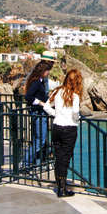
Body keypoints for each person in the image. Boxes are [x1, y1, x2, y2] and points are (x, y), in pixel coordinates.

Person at [41, 69, 83, 197]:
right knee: (65, 158)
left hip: (56, 127)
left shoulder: (57, 91)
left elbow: (46, 107)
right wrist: (78, 118)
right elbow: (75, 113)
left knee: (58, 157)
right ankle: (63, 190)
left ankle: (60, 187)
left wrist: (56, 114)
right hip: (69, 129)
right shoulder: (74, 96)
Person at [24, 62, 53, 167]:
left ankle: (28, 162)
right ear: (43, 71)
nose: (48, 73)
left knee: (39, 139)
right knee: (39, 140)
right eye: (47, 71)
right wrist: (41, 103)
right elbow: (28, 97)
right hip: (38, 113)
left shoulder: (39, 81)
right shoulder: (36, 82)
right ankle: (26, 162)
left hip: (39, 112)